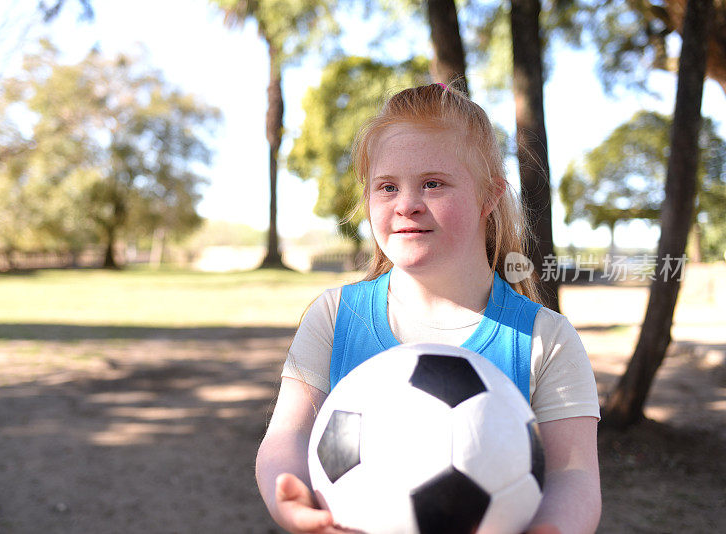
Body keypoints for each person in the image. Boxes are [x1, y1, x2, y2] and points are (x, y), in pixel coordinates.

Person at [255, 83, 601, 534]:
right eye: (387, 187)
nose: (406, 205)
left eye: (433, 184)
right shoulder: (336, 316)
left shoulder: (545, 339)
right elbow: (288, 436)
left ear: (490, 196)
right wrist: (292, 499)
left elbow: (572, 475)